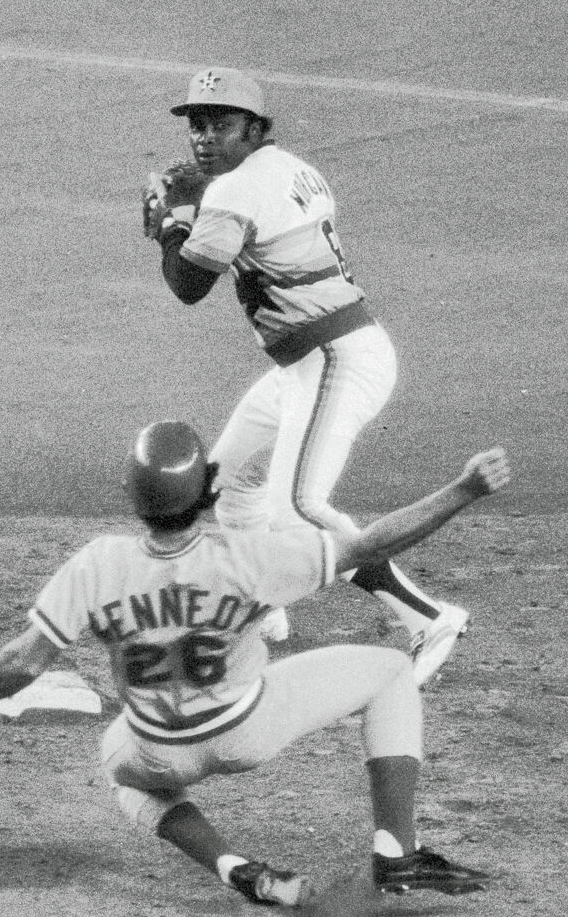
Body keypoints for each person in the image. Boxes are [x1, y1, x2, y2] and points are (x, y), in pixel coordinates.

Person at [0, 419, 511, 908]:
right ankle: (395, 853)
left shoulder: (96, 566)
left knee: (117, 765)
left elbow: (23, 661)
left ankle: (230, 866)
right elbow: (370, 546)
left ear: (135, 497)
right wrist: (463, 490)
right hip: (250, 729)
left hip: (156, 750)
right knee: (388, 671)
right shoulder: (247, 558)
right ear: (206, 491)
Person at [140, 67, 466, 683]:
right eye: (197, 126)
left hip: (335, 360)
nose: (205, 139)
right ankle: (263, 609)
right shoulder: (289, 167)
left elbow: (187, 286)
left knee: (297, 509)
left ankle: (430, 617)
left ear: (257, 129)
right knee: (233, 482)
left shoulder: (236, 194)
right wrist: (190, 212)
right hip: (313, 360)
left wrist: (172, 224)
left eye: (223, 126)